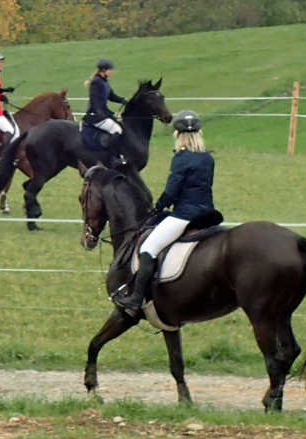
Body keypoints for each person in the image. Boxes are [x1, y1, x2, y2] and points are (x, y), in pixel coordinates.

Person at [114, 109, 216, 318]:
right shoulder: (207, 157)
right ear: (199, 133)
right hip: (207, 213)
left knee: (148, 248)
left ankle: (135, 301)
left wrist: (159, 206)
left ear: (178, 134)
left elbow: (172, 191)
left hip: (185, 215)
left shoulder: (181, 157)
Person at [82, 58, 128, 154]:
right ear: (104, 70)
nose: (112, 72)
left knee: (122, 125)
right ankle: (112, 156)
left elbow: (111, 96)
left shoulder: (105, 82)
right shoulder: (96, 82)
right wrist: (102, 113)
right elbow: (94, 100)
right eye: (110, 70)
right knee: (116, 130)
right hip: (95, 115)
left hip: (103, 113)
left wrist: (123, 101)